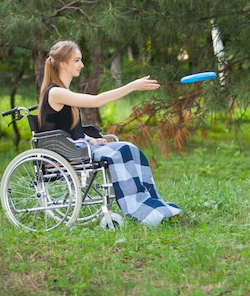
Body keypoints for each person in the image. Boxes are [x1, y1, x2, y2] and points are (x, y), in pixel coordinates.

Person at [38, 40, 181, 226]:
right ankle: (137, 209)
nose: (82, 65)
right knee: (119, 152)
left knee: (128, 148)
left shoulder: (63, 92)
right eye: (77, 60)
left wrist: (89, 139)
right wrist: (132, 86)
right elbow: (96, 101)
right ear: (63, 63)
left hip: (75, 147)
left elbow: (65, 128)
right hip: (63, 154)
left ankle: (150, 202)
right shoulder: (55, 92)